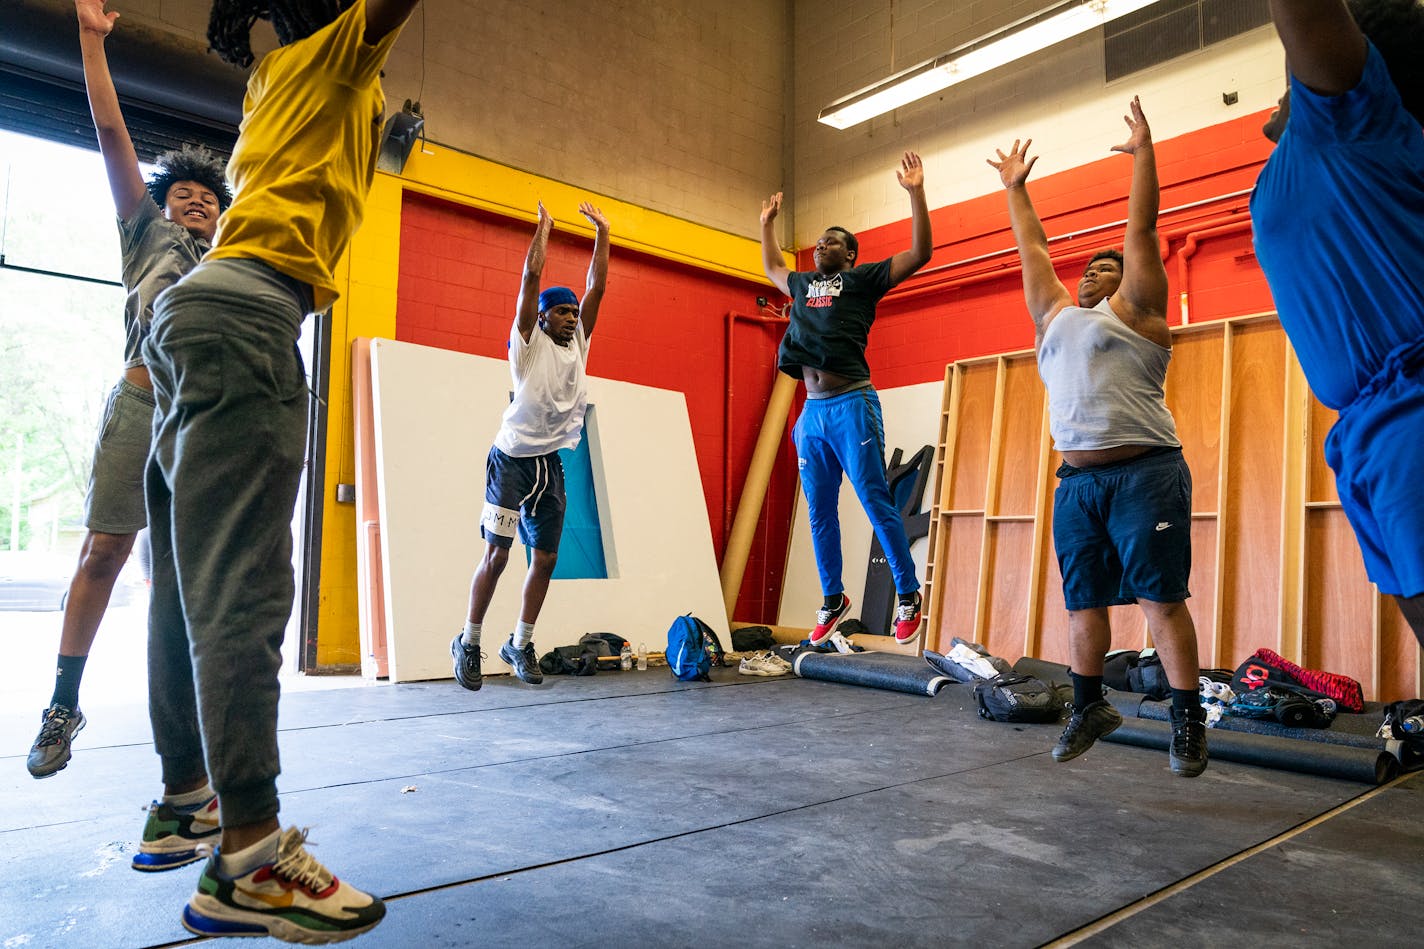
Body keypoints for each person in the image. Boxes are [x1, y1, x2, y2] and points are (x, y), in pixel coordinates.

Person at [142, 0, 419, 941]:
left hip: (195, 311)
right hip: (247, 314)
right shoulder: (335, 53)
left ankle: (188, 800)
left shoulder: (275, 81)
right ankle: (252, 857)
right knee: (248, 591)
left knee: (189, 587)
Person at [26, 0, 229, 797]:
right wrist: (90, 41)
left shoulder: (231, 260)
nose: (197, 204)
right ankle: (62, 705)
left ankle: (186, 753)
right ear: (164, 201)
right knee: (104, 552)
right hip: (143, 404)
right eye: (185, 195)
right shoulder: (147, 233)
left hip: (198, 423)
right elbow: (113, 137)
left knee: (179, 586)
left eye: (207, 200)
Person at [989, 98, 1208, 778]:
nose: (1091, 272)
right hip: (1077, 482)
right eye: (1087, 269)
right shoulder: (1053, 318)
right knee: (1083, 601)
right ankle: (1090, 705)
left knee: (1158, 599)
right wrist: (1016, 188)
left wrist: (1144, 151)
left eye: (1103, 269)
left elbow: (1140, 226)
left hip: (1146, 473)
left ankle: (1187, 718)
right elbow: (1033, 248)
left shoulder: (1138, 309)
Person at [1253, 0, 1424, 649]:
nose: (1287, 79)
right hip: (1364, 436)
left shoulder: (1351, 113)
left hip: (1412, 411)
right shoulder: (1312, 156)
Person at [758, 153, 932, 646]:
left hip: (852, 404)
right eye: (820, 241)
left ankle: (907, 592)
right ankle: (833, 598)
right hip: (811, 413)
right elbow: (772, 264)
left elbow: (920, 254)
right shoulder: (800, 282)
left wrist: (915, 193)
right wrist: (766, 224)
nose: (822, 246)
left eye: (834, 241)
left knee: (876, 501)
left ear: (851, 255)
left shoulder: (862, 281)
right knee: (819, 511)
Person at [451, 200, 610, 690]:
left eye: (571, 312)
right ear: (540, 319)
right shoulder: (527, 345)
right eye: (560, 312)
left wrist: (602, 235)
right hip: (511, 461)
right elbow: (529, 279)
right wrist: (544, 230)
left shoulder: (577, 343)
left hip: (548, 465)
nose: (569, 318)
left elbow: (596, 288)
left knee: (544, 559)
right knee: (497, 557)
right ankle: (469, 641)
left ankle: (519, 642)